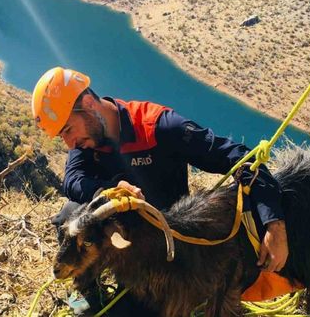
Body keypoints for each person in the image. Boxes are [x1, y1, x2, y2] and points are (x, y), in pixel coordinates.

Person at [31, 67, 288, 313]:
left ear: (88, 105)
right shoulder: (86, 140)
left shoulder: (159, 127)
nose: (69, 142)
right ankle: (88, 286)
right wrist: (106, 191)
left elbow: (239, 159)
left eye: (67, 129)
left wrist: (274, 223)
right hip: (121, 239)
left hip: (167, 240)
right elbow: (73, 179)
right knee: (70, 214)